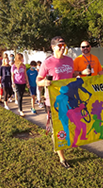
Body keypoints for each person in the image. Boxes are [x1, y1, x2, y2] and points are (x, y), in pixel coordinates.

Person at [37, 36, 75, 168]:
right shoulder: (47, 63)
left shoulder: (70, 60)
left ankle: (58, 145)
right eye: (59, 45)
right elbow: (38, 80)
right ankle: (62, 158)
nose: (62, 47)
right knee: (58, 128)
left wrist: (82, 73)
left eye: (64, 45)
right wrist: (44, 82)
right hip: (53, 101)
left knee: (67, 125)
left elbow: (72, 75)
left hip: (69, 99)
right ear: (53, 47)